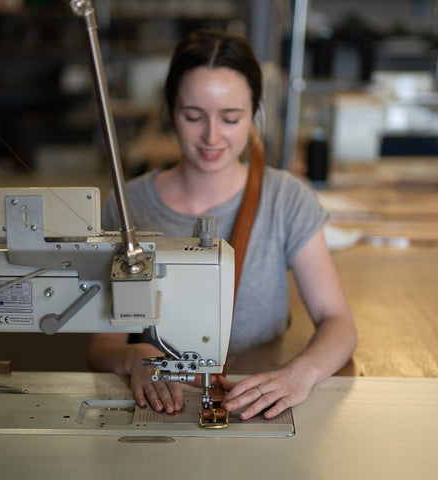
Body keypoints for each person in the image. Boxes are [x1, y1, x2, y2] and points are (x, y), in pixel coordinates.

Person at [88, 29, 357, 421]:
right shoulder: (127, 207)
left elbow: (339, 322)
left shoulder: (286, 198)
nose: (212, 136)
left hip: (255, 400)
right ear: (169, 111)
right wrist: (134, 356)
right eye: (193, 116)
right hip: (162, 408)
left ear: (254, 113)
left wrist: (301, 374)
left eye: (231, 118)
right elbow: (101, 345)